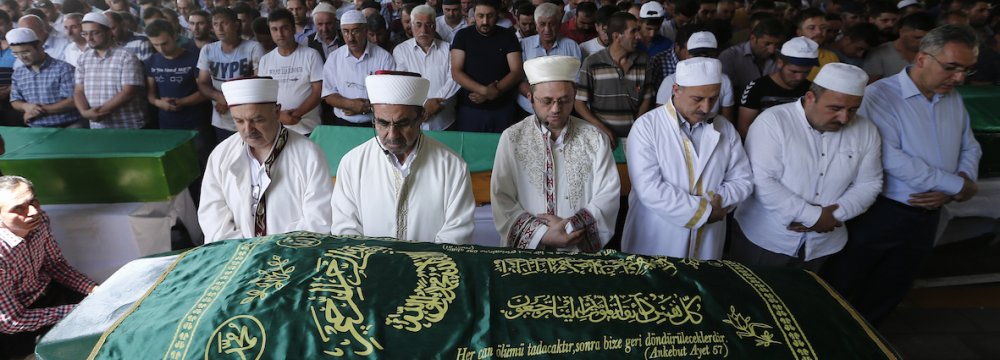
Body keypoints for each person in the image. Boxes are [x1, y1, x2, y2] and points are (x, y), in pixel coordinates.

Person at [820, 25, 982, 325]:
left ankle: (870, 342)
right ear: (922, 59)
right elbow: (891, 158)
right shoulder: (880, 96)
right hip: (881, 212)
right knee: (845, 283)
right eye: (951, 68)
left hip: (929, 213)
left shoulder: (952, 97)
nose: (959, 78)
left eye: (966, 70)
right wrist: (957, 185)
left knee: (892, 287)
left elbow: (969, 145)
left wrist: (961, 181)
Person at [733, 63, 882, 271]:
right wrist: (813, 217)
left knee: (802, 299)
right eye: (835, 108)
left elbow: (869, 183)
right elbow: (762, 181)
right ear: (811, 97)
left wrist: (833, 216)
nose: (844, 118)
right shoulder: (773, 122)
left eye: (853, 109)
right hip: (767, 237)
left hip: (825, 243)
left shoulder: (866, 130)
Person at [620, 57, 752, 259]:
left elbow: (742, 180)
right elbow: (649, 188)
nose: (707, 108)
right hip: (657, 234)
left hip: (709, 236)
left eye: (713, 98)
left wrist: (719, 202)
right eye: (697, 99)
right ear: (676, 89)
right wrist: (705, 212)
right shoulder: (647, 127)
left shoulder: (725, 128)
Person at [330, 71, 476, 244]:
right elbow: (345, 231)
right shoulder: (352, 163)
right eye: (383, 123)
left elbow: (457, 233)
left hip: (429, 269)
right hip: (371, 268)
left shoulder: (452, 166)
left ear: (422, 117)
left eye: (403, 123)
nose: (392, 135)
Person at [492, 55, 620, 252]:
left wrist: (570, 227)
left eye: (564, 100)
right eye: (547, 101)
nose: (556, 109)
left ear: (575, 95)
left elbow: (608, 195)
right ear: (530, 98)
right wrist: (542, 235)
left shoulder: (595, 138)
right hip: (527, 256)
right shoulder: (512, 138)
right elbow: (503, 199)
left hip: (578, 252)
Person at [199, 77, 334, 243]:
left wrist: (273, 254)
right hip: (237, 257)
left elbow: (318, 220)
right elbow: (213, 219)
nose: (248, 130)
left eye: (257, 120)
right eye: (239, 121)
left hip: (291, 259)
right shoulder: (221, 156)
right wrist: (246, 254)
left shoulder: (309, 155)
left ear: (277, 112)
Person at [0, 176, 98, 359]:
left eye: (33, 201)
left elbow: (55, 265)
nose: (32, 211)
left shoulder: (39, 221)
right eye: (18, 208)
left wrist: (93, 289)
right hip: (16, 325)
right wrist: (76, 311)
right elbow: (10, 321)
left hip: (47, 294)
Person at [575, 12, 653, 147]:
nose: (638, 36)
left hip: (635, 138)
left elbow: (647, 97)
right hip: (602, 138)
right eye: (633, 31)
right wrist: (602, 128)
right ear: (617, 36)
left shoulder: (643, 61)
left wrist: (637, 128)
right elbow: (579, 103)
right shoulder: (592, 63)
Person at [144, 19, 212, 167]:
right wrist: (158, 103)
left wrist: (181, 102)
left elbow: (205, 91)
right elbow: (150, 94)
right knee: (176, 165)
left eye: (164, 43)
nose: (161, 49)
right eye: (155, 45)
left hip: (195, 123)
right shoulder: (151, 61)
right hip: (167, 124)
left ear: (174, 36)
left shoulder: (195, 58)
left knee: (204, 164)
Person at [450, 0, 522, 132]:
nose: (485, 21)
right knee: (470, 150)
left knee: (503, 151)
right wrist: (485, 91)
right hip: (470, 109)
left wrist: (494, 92)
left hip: (503, 108)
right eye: (480, 16)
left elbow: (516, 71)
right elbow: (456, 72)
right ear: (473, 15)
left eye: (490, 16)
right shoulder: (462, 36)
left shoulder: (508, 36)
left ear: (498, 15)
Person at [196, 7, 264, 141]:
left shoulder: (254, 47)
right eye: (216, 24)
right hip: (221, 118)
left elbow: (259, 81)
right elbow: (203, 83)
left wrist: (229, 100)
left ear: (236, 24)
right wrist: (219, 97)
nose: (220, 28)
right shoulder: (208, 50)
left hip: (249, 117)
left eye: (224, 23)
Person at [321, 10, 395, 126]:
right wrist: (349, 104)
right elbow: (328, 94)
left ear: (365, 30)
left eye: (355, 31)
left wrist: (366, 108)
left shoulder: (384, 58)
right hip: (343, 124)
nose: (350, 38)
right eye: (346, 32)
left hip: (375, 123)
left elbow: (390, 94)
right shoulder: (334, 58)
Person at [393, 4, 460, 131]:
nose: (423, 30)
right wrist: (423, 107)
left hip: (444, 121)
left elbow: (454, 78)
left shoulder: (448, 49)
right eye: (418, 25)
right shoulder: (401, 51)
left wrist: (435, 103)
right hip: (413, 121)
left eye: (428, 25)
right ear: (411, 26)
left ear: (435, 26)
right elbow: (402, 82)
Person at [73, 12, 146, 128]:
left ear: (109, 31)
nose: (89, 38)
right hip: (97, 126)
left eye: (95, 33)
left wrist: (97, 112)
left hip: (127, 125)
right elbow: (78, 91)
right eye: (85, 34)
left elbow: (129, 92)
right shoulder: (83, 59)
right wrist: (84, 112)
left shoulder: (126, 56)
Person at [257, 9, 324, 136]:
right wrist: (279, 116)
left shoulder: (311, 55)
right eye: (274, 29)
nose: (280, 34)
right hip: (277, 128)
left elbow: (318, 91)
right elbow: (264, 95)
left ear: (293, 29)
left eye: (284, 28)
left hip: (309, 128)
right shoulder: (265, 60)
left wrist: (296, 114)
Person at [737, 36, 818, 139]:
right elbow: (744, 128)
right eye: (793, 71)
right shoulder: (757, 87)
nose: (799, 77)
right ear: (780, 63)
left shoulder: (811, 89)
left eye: (806, 72)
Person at [8, 28, 84, 128]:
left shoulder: (64, 69)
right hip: (36, 127)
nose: (22, 57)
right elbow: (15, 101)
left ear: (39, 46)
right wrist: (25, 106)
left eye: (26, 52)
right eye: (16, 54)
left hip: (68, 126)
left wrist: (37, 110)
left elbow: (72, 101)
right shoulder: (18, 73)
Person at [655, 30, 735, 122]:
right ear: (687, 55)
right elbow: (660, 118)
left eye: (708, 55)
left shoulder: (724, 81)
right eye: (697, 55)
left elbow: (727, 119)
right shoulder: (670, 81)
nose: (706, 109)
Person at [516, 3, 581, 116]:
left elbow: (577, 81)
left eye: (552, 24)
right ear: (536, 25)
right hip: (528, 109)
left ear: (560, 24)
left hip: (562, 110)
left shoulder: (571, 46)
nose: (547, 29)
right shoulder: (524, 45)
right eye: (542, 24)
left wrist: (554, 100)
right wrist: (540, 100)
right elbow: (518, 80)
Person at [719, 17, 783, 105]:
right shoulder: (730, 57)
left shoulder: (780, 57)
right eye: (767, 44)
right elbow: (727, 94)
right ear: (753, 38)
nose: (772, 50)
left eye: (776, 44)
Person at [863, 11, 935, 82]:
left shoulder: (934, 53)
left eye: (927, 38)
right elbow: (870, 85)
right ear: (901, 32)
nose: (922, 41)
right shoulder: (879, 53)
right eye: (917, 37)